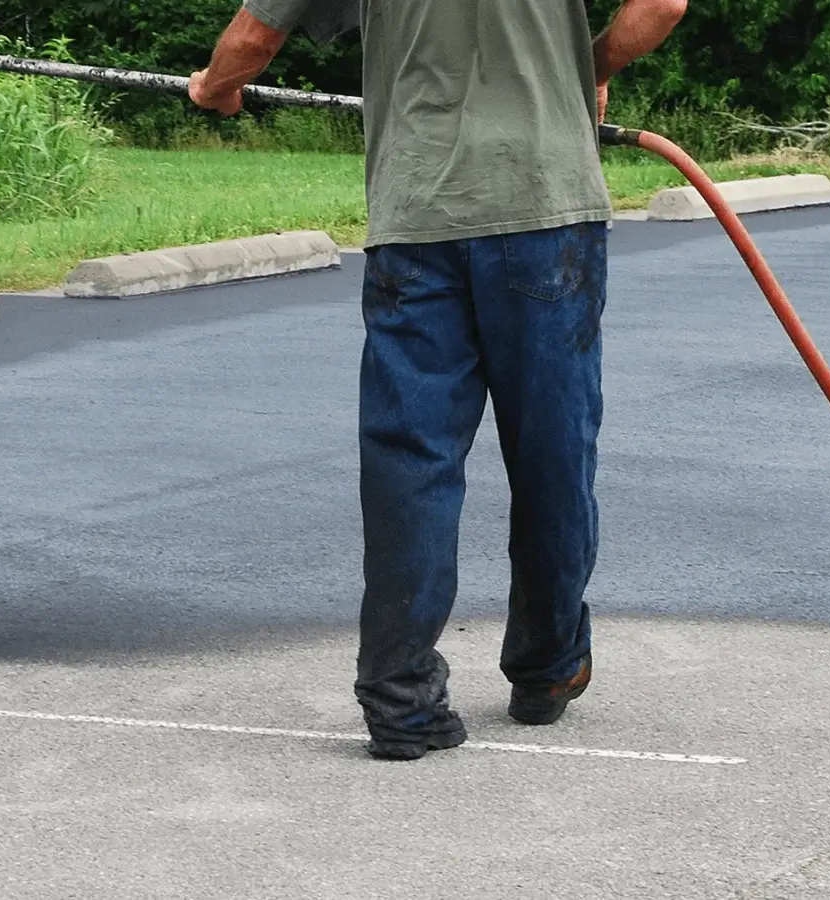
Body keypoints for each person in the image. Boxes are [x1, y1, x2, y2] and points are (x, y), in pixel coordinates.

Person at [190, 0, 688, 760]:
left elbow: (254, 36)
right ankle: (547, 668)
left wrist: (216, 89)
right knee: (552, 450)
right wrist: (587, 70)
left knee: (410, 458)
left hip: (418, 217)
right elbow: (663, 4)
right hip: (545, 211)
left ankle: (400, 701)